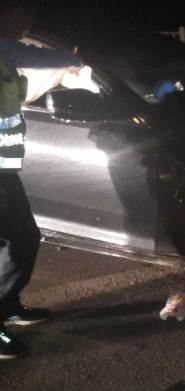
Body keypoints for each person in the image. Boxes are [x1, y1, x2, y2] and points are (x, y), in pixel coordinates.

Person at [0, 0, 83, 359]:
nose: (26, 25)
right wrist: (72, 58)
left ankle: (8, 306)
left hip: (4, 169)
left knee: (18, 240)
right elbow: (25, 53)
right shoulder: (4, 49)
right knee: (18, 240)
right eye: (22, 16)